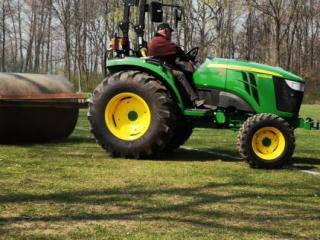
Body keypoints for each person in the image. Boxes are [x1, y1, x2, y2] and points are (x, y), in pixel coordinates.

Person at [148, 23, 205, 108]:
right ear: (165, 30)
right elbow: (175, 49)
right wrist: (183, 54)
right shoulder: (158, 40)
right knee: (180, 75)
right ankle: (194, 101)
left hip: (166, 66)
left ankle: (192, 98)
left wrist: (184, 57)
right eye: (170, 32)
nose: (170, 34)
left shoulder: (160, 40)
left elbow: (172, 53)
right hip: (163, 68)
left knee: (188, 73)